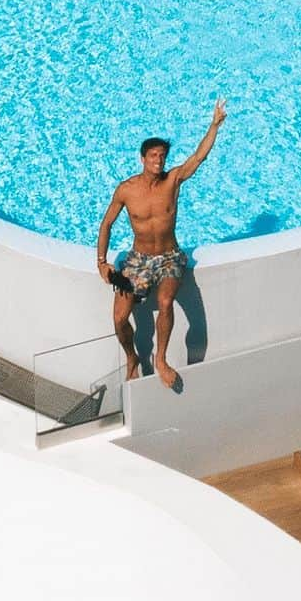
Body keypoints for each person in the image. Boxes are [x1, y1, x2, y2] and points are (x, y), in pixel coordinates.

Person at [96, 99, 227, 390]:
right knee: (119, 318)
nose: (159, 160)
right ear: (142, 158)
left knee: (166, 302)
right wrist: (101, 262)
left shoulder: (173, 181)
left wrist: (215, 125)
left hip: (169, 257)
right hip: (138, 260)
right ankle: (132, 358)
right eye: (154, 155)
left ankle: (161, 360)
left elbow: (198, 158)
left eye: (163, 156)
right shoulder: (126, 190)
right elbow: (106, 224)